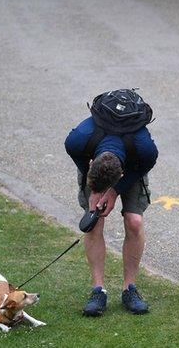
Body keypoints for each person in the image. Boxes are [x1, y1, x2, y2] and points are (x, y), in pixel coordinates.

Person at [64, 113, 158, 317]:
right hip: (93, 163)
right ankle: (98, 291)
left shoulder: (145, 149)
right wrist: (95, 192)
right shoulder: (76, 141)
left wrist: (114, 191)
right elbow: (79, 160)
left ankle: (129, 289)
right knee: (94, 221)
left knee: (134, 221)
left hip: (133, 166)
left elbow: (145, 166)